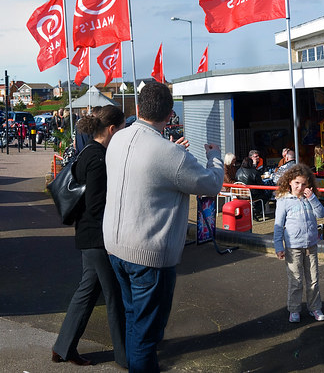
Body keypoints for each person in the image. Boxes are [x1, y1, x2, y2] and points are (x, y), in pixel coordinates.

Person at [103, 81, 224, 372]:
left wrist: (172, 153)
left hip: (115, 246)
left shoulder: (118, 138)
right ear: (170, 115)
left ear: (138, 108)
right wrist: (214, 158)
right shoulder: (170, 154)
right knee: (147, 334)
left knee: (133, 318)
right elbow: (211, 184)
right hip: (148, 254)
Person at [52, 106, 127, 368]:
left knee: (88, 291)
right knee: (114, 295)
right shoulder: (97, 158)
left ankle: (63, 347)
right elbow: (96, 205)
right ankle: (125, 356)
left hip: (88, 234)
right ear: (112, 129)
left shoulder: (88, 152)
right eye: (123, 129)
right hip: (97, 237)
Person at [272, 164, 324, 322]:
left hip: (311, 245)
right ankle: (294, 309)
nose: (300, 187)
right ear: (289, 181)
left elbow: (321, 214)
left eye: (304, 184)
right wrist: (278, 246)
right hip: (293, 247)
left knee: (313, 279)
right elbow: (278, 226)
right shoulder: (284, 201)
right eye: (297, 183)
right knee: (295, 280)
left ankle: (315, 307)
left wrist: (312, 198)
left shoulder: (309, 198)